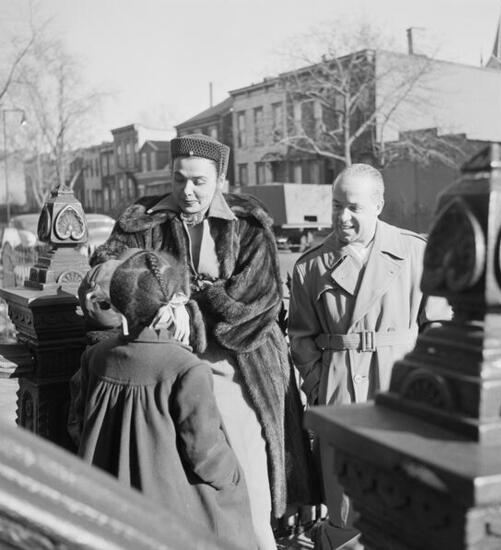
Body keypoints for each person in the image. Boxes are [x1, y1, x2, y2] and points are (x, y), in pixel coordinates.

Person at [89, 134, 316, 549]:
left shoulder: (248, 223)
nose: (187, 191)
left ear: (220, 180)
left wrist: (189, 314)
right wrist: (122, 285)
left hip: (237, 367)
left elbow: (257, 300)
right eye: (179, 179)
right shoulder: (142, 220)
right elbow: (112, 273)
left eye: (199, 181)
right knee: (175, 486)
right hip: (163, 366)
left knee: (245, 482)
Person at [288, 163, 450, 550]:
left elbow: (439, 328)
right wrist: (321, 386)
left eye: (354, 207)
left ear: (378, 205)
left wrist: (425, 388)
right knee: (346, 505)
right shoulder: (310, 265)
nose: (343, 217)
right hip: (341, 393)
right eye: (337, 205)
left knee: (404, 498)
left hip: (400, 391)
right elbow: (301, 339)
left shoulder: (416, 253)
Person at [68, 250, 255, 549]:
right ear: (169, 306)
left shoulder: (96, 357)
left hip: (107, 502)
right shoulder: (186, 368)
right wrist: (232, 477)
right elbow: (204, 453)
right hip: (168, 515)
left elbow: (79, 426)